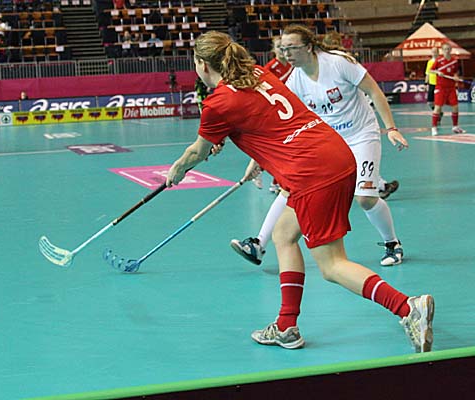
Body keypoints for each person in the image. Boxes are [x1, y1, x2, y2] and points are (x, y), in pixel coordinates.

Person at [165, 30, 434, 353]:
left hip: (311, 173)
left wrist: (177, 169)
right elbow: (263, 121)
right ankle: (286, 326)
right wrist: (244, 150)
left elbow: (197, 151)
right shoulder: (257, 74)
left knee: (332, 265)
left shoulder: (218, 103)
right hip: (334, 153)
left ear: (202, 65)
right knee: (283, 234)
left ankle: (407, 307)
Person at [232, 24, 408, 268]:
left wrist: (391, 128)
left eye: (292, 48)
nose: (286, 54)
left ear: (308, 47)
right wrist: (258, 161)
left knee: (365, 199)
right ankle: (258, 243)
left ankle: (392, 243)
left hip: (361, 135)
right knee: (292, 187)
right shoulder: (294, 80)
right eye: (283, 49)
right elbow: (276, 123)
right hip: (329, 143)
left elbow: (374, 91)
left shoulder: (338, 63)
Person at [255, 37, 294, 192]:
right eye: (279, 47)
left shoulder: (292, 64)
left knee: (287, 146)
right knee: (278, 147)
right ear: (273, 50)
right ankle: (259, 170)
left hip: (291, 109)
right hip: (274, 112)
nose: (283, 50)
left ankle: (276, 182)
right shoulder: (269, 68)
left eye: (285, 47)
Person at [430, 42, 465, 136]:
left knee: (455, 106)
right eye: (445, 49)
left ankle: (455, 127)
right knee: (438, 107)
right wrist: (438, 72)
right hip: (441, 87)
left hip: (451, 87)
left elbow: (455, 72)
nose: (447, 51)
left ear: (451, 50)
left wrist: (456, 76)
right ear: (442, 50)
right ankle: (434, 127)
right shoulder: (438, 60)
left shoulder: (454, 61)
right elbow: (431, 70)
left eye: (448, 49)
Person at [424, 47, 441, 119]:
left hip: (439, 84)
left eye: (435, 52)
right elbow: (427, 74)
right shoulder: (429, 62)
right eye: (433, 52)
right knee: (430, 102)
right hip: (431, 84)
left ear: (438, 52)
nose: (434, 53)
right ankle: (438, 112)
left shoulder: (441, 61)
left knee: (438, 102)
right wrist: (425, 84)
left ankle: (437, 115)